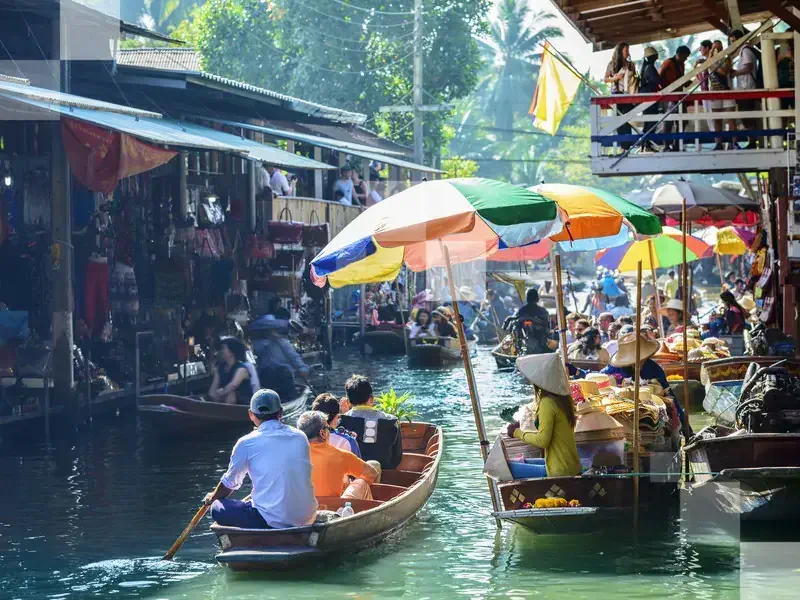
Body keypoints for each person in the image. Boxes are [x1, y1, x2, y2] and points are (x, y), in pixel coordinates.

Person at [203, 389, 318, 529]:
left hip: (271, 520)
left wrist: (213, 497)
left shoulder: (246, 443)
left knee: (217, 507)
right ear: (280, 412)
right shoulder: (300, 437)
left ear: (251, 415)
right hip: (307, 517)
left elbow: (230, 483)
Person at [506, 352, 582, 478]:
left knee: (506, 467)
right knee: (517, 462)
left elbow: (542, 441)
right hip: (570, 465)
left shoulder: (547, 402)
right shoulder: (564, 399)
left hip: (559, 470)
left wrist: (517, 433)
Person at [602, 333, 689, 435]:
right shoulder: (613, 369)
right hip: (621, 413)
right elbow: (601, 380)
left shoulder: (654, 368)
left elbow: (669, 394)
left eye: (643, 359)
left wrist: (684, 422)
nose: (640, 362)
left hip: (651, 413)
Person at [298, 410, 379, 500]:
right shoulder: (341, 455)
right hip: (334, 508)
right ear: (322, 433)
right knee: (362, 482)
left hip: (301, 508)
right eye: (329, 429)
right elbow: (372, 474)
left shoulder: (292, 456)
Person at [340, 375, 403, 469]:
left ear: (348, 402)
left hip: (352, 474)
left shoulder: (341, 421)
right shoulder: (391, 421)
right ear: (372, 399)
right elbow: (396, 457)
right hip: (385, 472)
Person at [254, 320, 309, 401]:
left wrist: (302, 369)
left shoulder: (281, 343)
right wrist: (303, 369)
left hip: (274, 377)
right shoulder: (264, 344)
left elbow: (295, 359)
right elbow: (296, 359)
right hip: (272, 377)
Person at [729, 29, 760, 149]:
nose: (733, 44)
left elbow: (748, 67)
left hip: (747, 88)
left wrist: (736, 73)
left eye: (733, 41)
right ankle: (752, 140)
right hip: (746, 87)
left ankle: (752, 142)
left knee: (747, 117)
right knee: (747, 117)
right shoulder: (746, 50)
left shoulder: (745, 50)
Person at [603, 42, 637, 150]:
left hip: (629, 94)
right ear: (620, 51)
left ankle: (627, 146)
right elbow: (605, 79)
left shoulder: (631, 64)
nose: (628, 53)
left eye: (628, 50)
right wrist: (615, 78)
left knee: (627, 119)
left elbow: (634, 79)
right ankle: (624, 147)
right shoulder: (612, 64)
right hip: (617, 94)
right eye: (626, 50)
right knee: (619, 120)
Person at [658, 45, 691, 151]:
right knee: (668, 122)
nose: (685, 59)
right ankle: (667, 145)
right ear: (679, 54)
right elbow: (659, 77)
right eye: (685, 57)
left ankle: (677, 144)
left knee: (683, 121)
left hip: (679, 95)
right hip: (669, 96)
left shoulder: (681, 65)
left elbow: (681, 79)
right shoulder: (668, 63)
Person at [708, 40, 738, 150]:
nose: (717, 48)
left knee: (731, 118)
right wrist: (711, 56)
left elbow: (725, 71)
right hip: (714, 92)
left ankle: (734, 142)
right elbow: (708, 67)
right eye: (714, 47)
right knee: (717, 119)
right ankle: (718, 143)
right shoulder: (710, 61)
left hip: (727, 90)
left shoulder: (726, 58)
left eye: (718, 46)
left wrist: (713, 64)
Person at [208, 337, 253, 405]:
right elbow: (213, 388)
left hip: (243, 403)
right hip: (224, 399)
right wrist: (214, 394)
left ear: (231, 352)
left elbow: (233, 385)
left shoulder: (241, 369)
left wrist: (221, 392)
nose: (221, 351)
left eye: (223, 348)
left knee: (231, 394)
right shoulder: (220, 367)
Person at [778, 41, 794, 111]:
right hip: (782, 87)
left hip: (794, 86)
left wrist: (792, 58)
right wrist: (779, 59)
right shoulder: (779, 52)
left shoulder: (796, 51)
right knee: (783, 109)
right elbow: (771, 67)